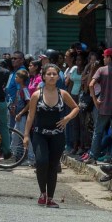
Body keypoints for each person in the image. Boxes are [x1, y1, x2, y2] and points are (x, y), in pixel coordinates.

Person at [23, 64, 79, 209]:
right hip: (40, 134)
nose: (52, 76)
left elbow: (76, 108)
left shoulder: (63, 93)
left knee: (53, 166)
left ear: (58, 76)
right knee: (42, 162)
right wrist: (26, 135)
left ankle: (51, 198)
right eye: (49, 74)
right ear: (43, 76)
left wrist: (67, 118)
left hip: (57, 135)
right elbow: (31, 115)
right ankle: (42, 193)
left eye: (55, 74)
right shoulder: (36, 95)